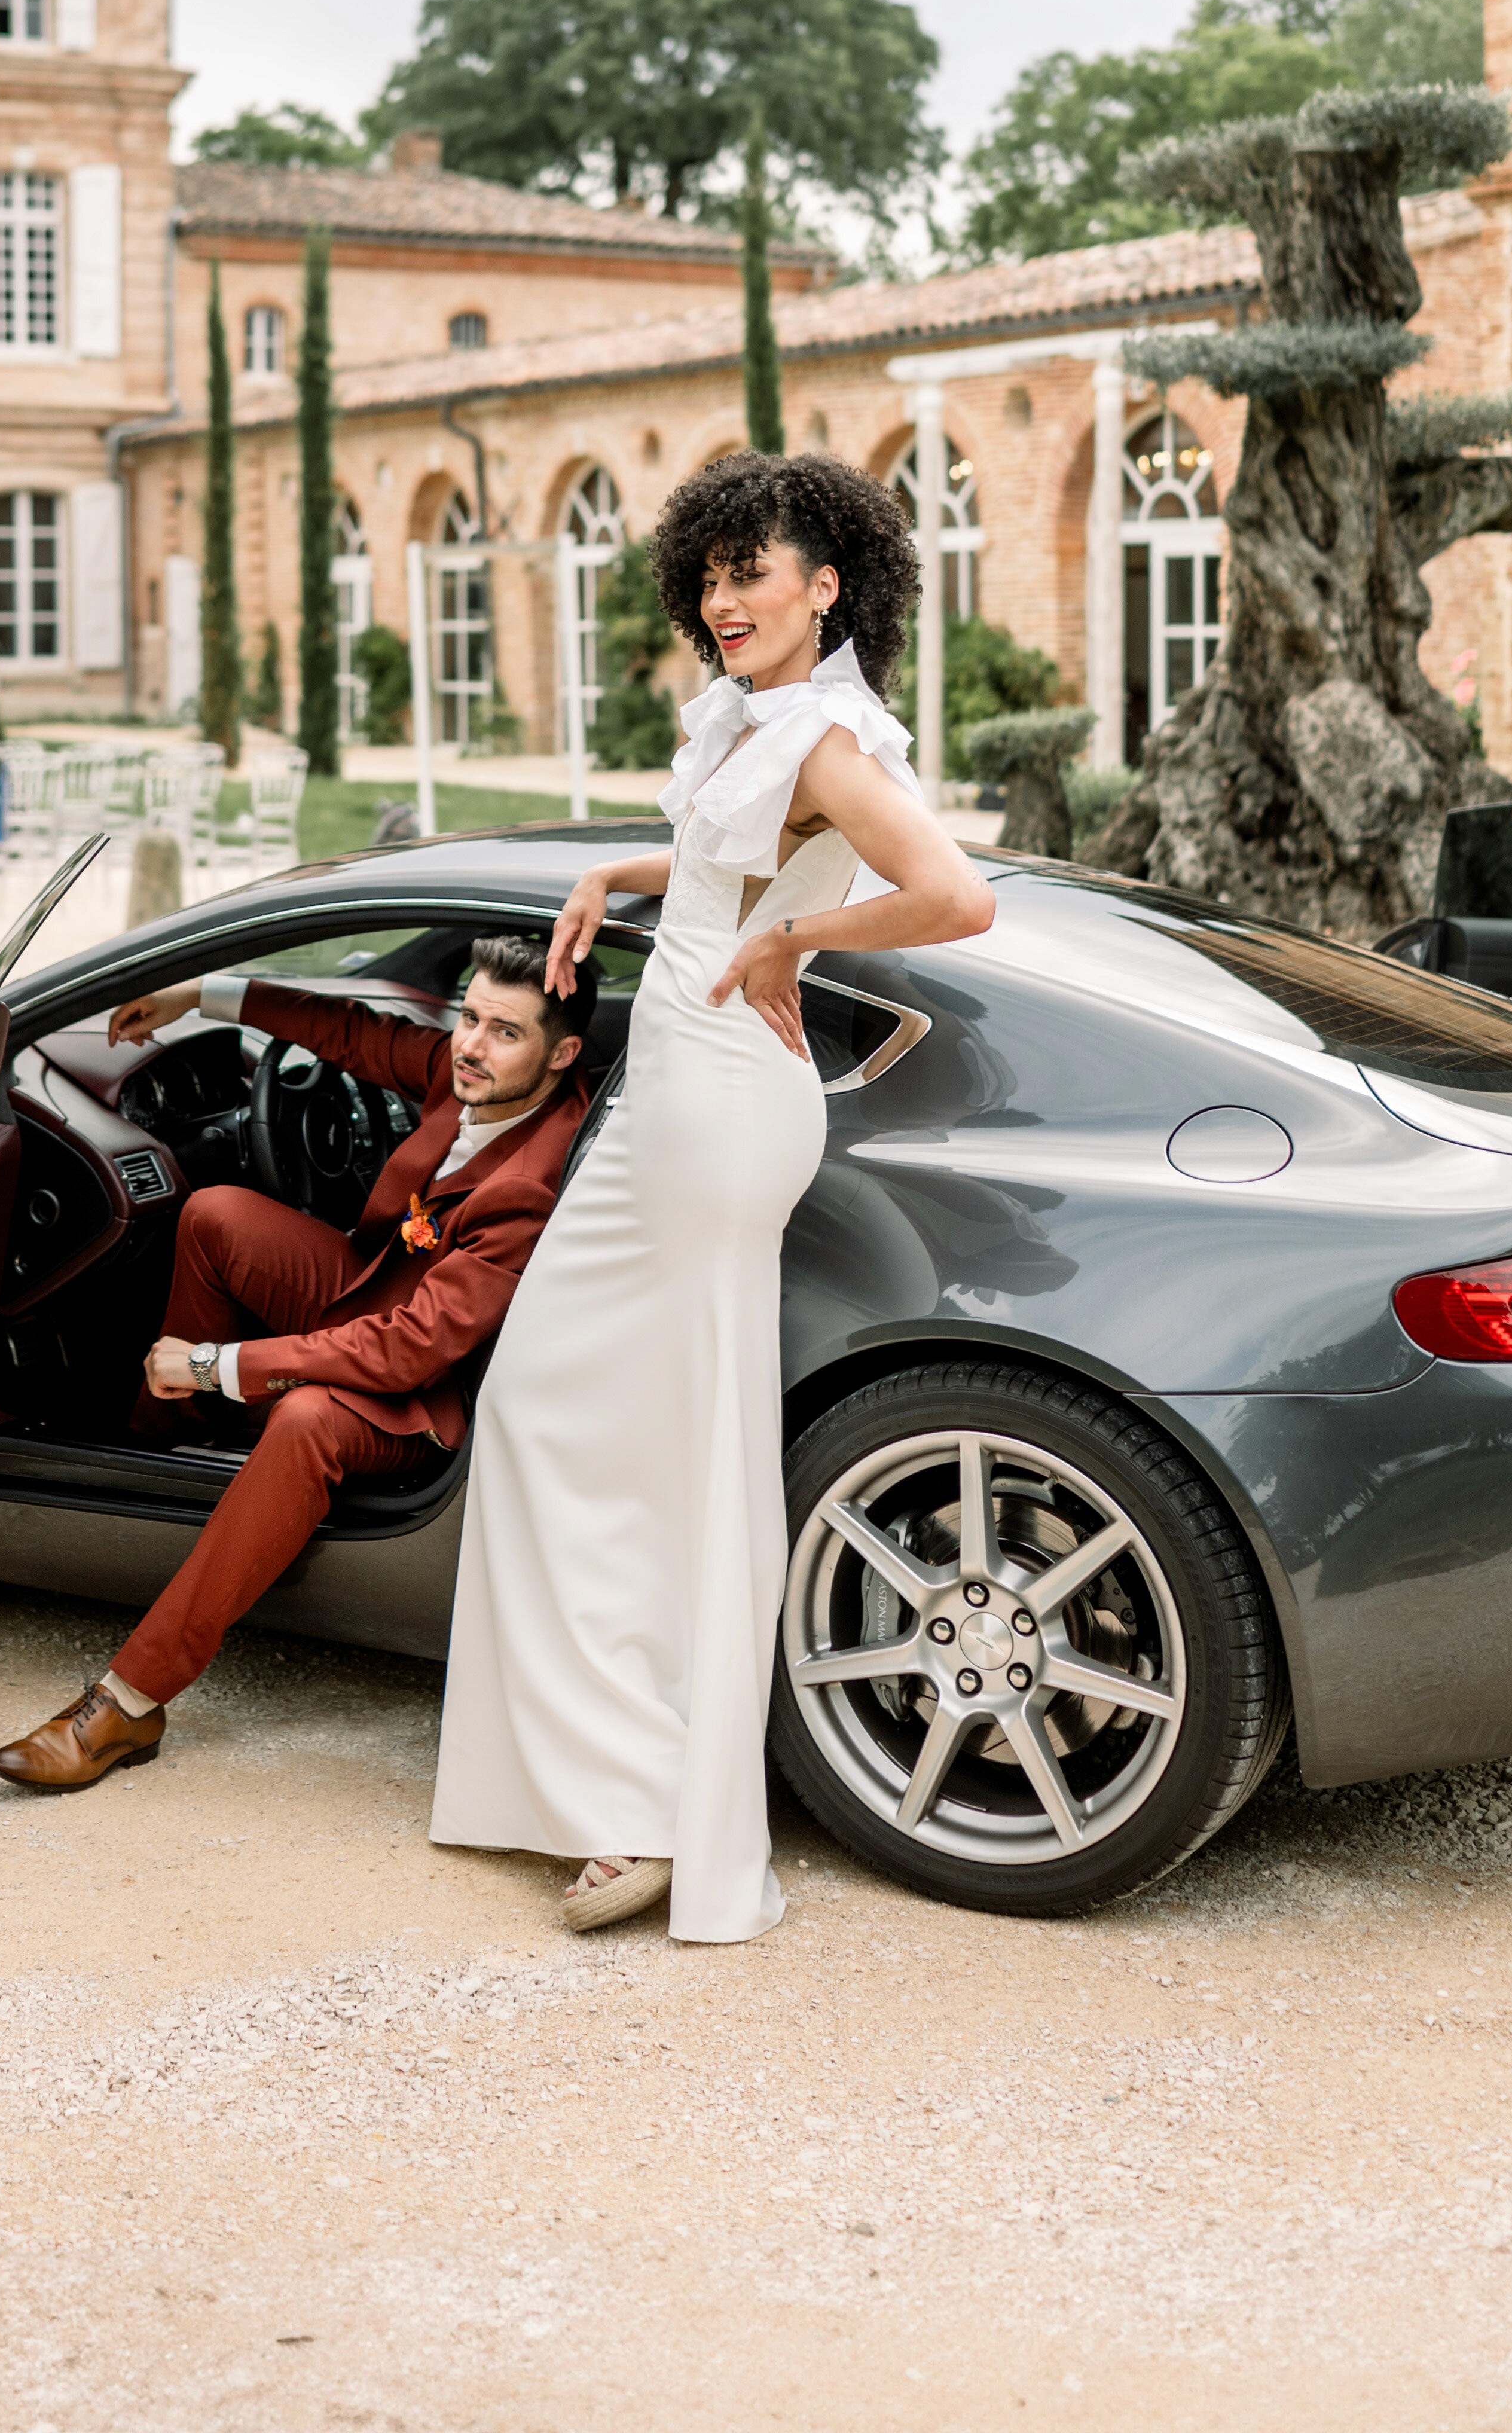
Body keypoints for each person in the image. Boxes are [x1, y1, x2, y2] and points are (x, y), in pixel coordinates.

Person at [429, 451, 997, 1942]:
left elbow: (957, 894)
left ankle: (659, 1810)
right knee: (555, 1411)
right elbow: (721, 864)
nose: (724, 598)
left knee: (670, 1449)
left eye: (754, 573)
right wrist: (615, 876)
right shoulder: (768, 720)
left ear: (827, 585)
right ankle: (616, 1777)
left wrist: (791, 947)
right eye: (711, 575)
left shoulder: (823, 740)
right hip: (681, 1093)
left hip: (719, 1103)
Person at [0, 932, 597, 1791]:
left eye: (505, 1033)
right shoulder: (467, 1072)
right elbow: (347, 1030)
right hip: (370, 1293)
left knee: (307, 1417)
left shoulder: (528, 1184)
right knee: (217, 1215)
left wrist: (216, 1364)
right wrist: (198, 994)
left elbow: (409, 1351)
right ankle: (161, 1446)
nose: (471, 1045)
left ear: (561, 1055)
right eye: (470, 1019)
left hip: (423, 1393)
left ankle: (130, 1703)